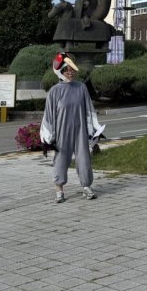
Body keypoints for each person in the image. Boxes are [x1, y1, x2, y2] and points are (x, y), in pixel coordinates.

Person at [40, 52, 105, 204]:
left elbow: (89, 110)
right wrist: (48, 136)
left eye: (72, 70)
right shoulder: (55, 91)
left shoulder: (81, 88)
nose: (70, 73)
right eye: (67, 70)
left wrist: (94, 129)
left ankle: (86, 187)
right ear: (60, 71)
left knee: (84, 159)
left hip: (80, 130)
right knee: (61, 159)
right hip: (62, 132)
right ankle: (59, 190)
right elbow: (48, 115)